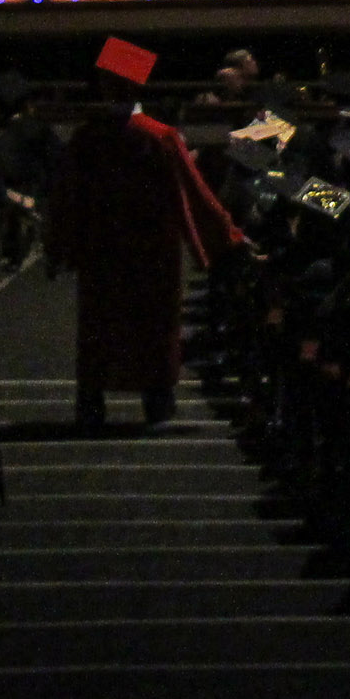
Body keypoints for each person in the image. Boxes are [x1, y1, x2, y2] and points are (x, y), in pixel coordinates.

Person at [45, 38, 244, 429]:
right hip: (153, 253)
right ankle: (156, 403)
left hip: (101, 251)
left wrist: (59, 245)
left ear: (103, 85)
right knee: (154, 328)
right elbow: (195, 195)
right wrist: (230, 237)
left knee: (100, 328)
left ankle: (91, 404)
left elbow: (66, 199)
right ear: (139, 86)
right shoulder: (160, 136)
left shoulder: (87, 138)